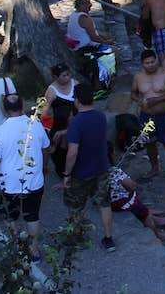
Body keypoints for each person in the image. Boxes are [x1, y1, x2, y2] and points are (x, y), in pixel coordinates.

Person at [0, 94, 49, 260]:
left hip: (8, 183)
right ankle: (34, 250)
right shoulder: (35, 124)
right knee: (32, 215)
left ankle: (17, 246)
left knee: (9, 215)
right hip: (34, 181)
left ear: (4, 110)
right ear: (22, 106)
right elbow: (46, 147)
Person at [63, 83, 115, 252]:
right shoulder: (100, 116)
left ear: (77, 101)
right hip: (101, 167)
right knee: (104, 203)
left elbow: (72, 152)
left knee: (75, 205)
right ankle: (108, 238)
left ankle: (75, 237)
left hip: (81, 171)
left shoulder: (77, 122)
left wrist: (67, 173)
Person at [132, 49, 165, 181]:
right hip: (146, 115)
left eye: (153, 62)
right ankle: (154, 168)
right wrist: (139, 101)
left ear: (156, 60)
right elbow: (133, 93)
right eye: (147, 63)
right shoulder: (138, 77)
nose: (151, 65)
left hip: (164, 115)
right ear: (142, 63)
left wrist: (157, 100)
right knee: (150, 143)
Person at [108, 160, 165, 240]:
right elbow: (131, 185)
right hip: (121, 203)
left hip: (109, 202)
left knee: (131, 195)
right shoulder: (114, 171)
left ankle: (152, 216)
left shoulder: (93, 171)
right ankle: (156, 233)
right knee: (140, 207)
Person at [42, 63, 77, 188]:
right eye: (64, 75)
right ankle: (63, 175)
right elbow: (45, 110)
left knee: (74, 148)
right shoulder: (51, 90)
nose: (67, 77)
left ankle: (73, 174)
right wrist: (45, 126)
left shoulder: (75, 84)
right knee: (58, 152)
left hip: (75, 122)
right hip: (59, 124)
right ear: (56, 77)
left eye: (68, 74)